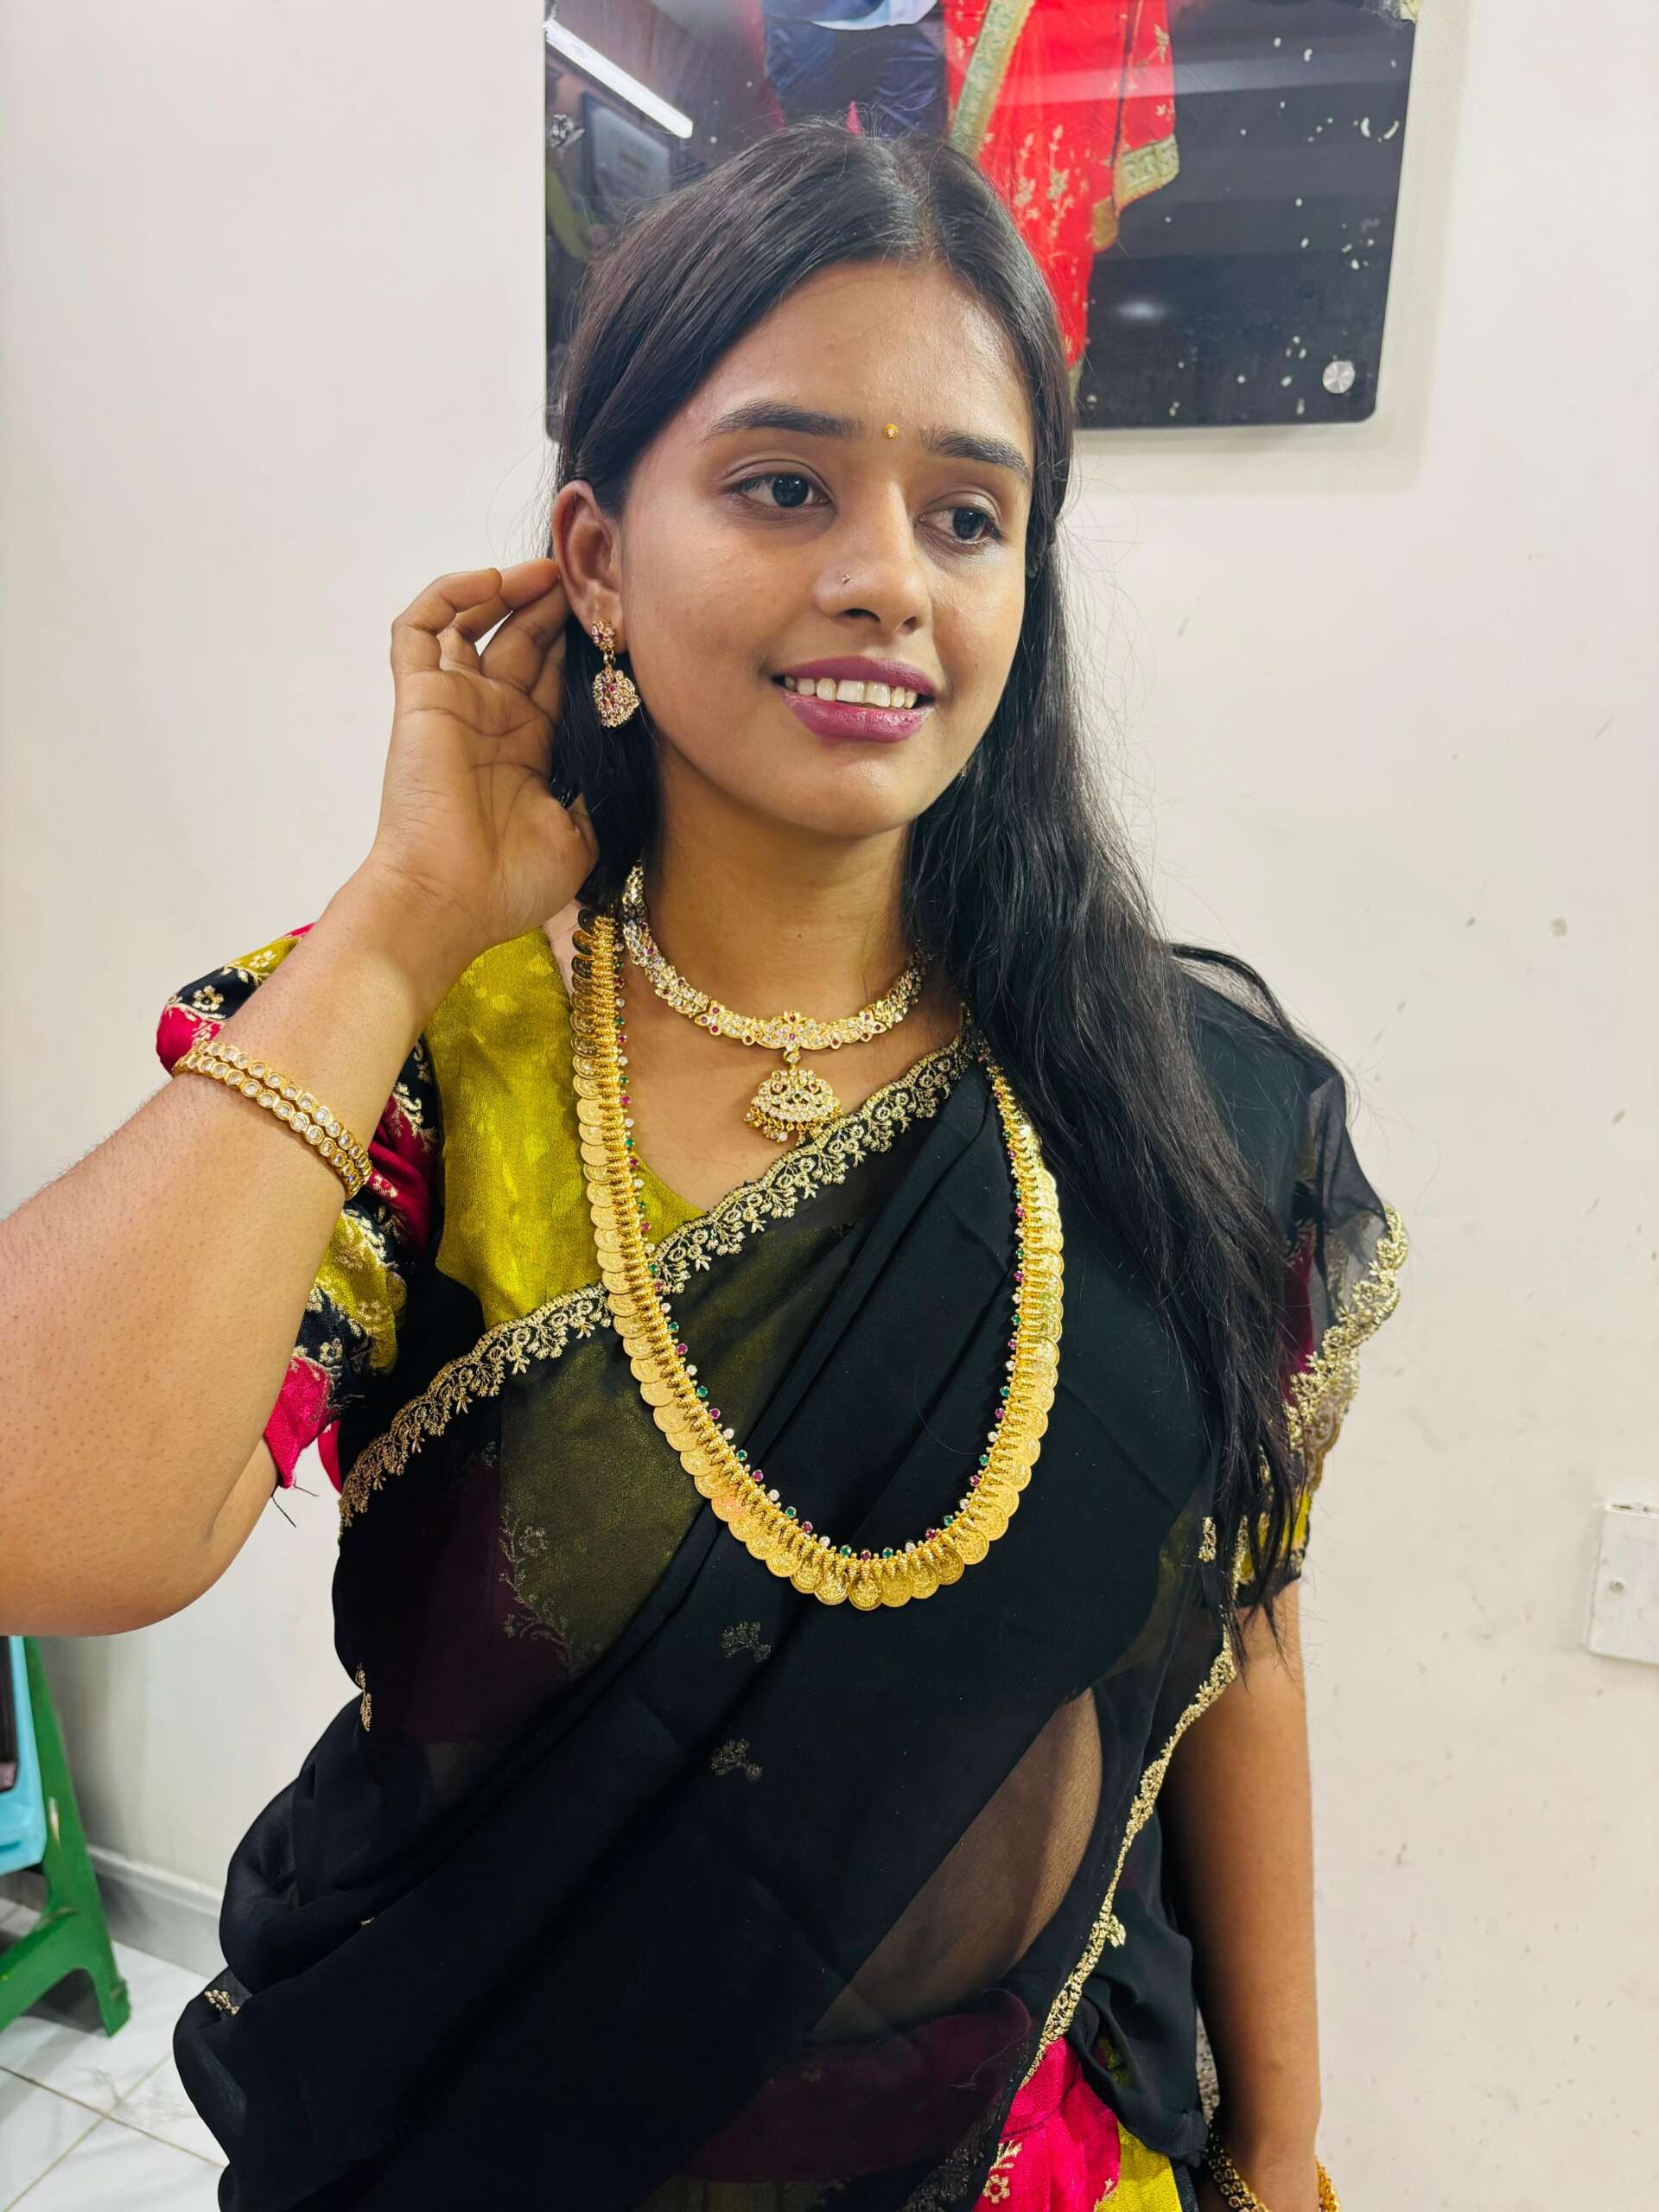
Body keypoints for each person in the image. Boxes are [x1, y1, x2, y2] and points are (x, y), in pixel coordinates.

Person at [0, 119, 1405, 2212]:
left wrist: (1284, 2148)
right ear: (593, 556)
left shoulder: (1183, 1102)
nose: (887, 576)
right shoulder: (426, 1050)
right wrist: (397, 919)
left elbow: (1245, 1651)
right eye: (782, 486)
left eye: (967, 514)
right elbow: (40, 1522)